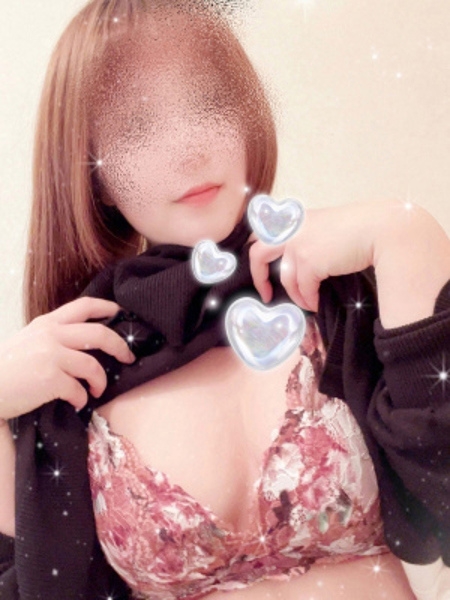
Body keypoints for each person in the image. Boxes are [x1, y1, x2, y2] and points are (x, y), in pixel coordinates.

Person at [0, 0, 449, 598]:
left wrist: (406, 235)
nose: (188, 149)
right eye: (137, 127)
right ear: (95, 177)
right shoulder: (79, 358)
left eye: (210, 102)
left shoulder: (341, 299)